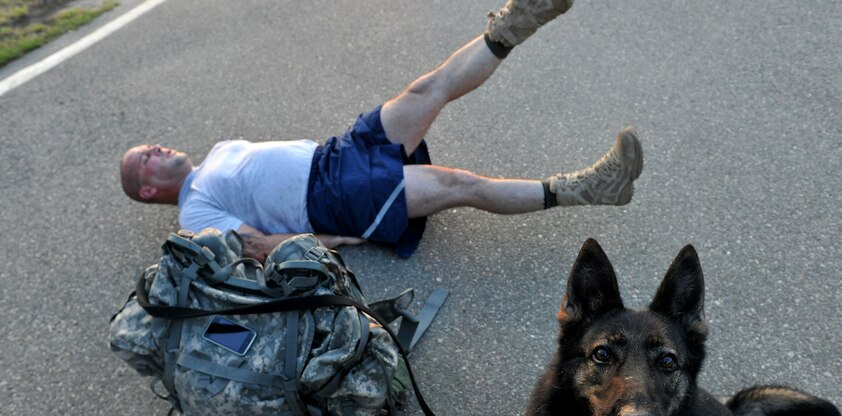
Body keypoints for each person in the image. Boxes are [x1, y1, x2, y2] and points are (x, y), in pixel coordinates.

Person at [120, 0, 643, 261]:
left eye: (150, 146)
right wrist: (328, 240)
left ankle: (520, 18)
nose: (157, 148)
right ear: (147, 189)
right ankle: (589, 188)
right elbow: (255, 245)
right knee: (459, 184)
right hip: (335, 197)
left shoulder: (215, 154)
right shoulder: (193, 213)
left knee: (426, 88)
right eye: (147, 157)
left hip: (337, 154)